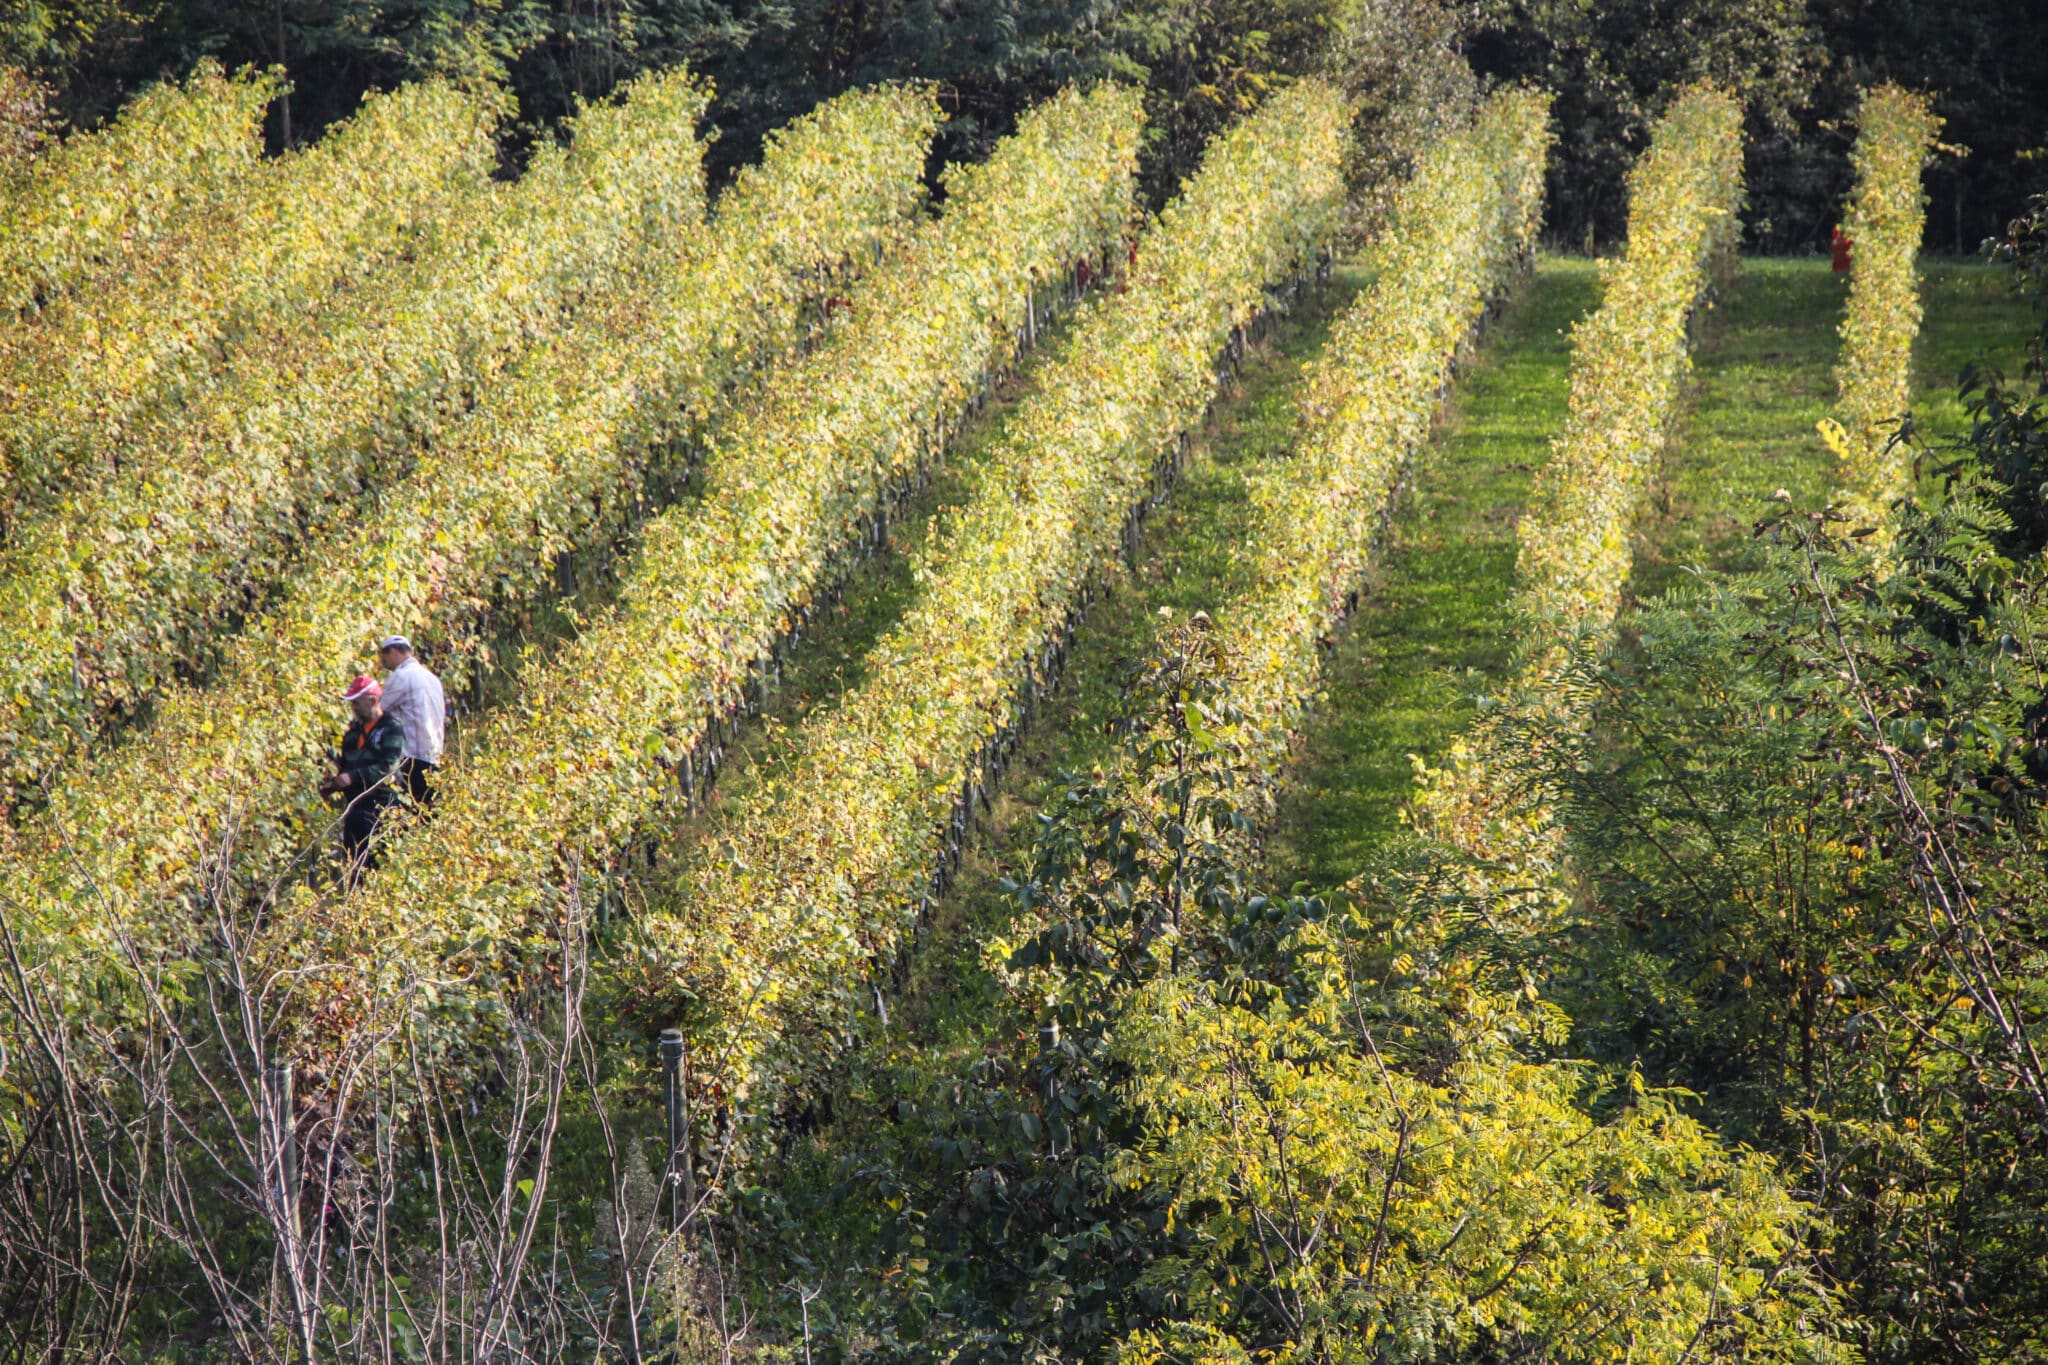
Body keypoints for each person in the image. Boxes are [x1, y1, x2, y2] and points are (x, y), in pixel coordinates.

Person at [320, 674, 406, 875]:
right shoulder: (352, 733)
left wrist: (352, 778)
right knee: (355, 866)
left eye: (357, 703)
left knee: (379, 867)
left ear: (373, 700)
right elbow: (344, 767)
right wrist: (332, 785)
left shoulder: (392, 727)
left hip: (383, 808)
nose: (354, 708)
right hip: (355, 808)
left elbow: (389, 767)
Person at [375, 634, 446, 807]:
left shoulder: (402, 676)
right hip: (435, 759)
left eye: (383, 657)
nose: (383, 663)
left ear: (392, 652)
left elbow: (377, 713)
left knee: (406, 814)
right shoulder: (433, 679)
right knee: (428, 816)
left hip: (412, 759)